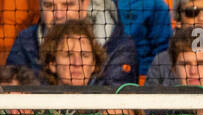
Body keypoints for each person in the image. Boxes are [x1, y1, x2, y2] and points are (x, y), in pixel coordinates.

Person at [7, 0, 137, 84]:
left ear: (85, 4)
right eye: (49, 5)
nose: (58, 15)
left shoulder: (120, 47)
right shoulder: (26, 41)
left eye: (67, 5)